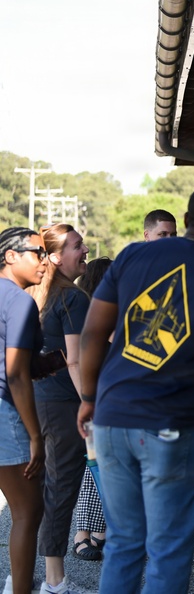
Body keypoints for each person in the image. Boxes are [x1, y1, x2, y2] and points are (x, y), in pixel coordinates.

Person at [76, 184, 194, 594]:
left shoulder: (132, 257)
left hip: (112, 419)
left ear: (187, 221)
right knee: (168, 550)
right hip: (173, 429)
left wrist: (89, 399)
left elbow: (92, 334)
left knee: (123, 542)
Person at [28, 224, 91, 594]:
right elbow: (75, 360)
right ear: (55, 256)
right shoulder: (73, 297)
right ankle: (55, 583)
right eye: (77, 245)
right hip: (64, 405)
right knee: (61, 490)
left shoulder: (37, 294)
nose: (84, 250)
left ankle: (20, 577)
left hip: (35, 402)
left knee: (40, 490)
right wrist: (90, 404)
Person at [0, 227, 47, 594]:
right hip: (5, 414)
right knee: (28, 514)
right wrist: (35, 435)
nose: (45, 262)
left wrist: (50, 363)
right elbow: (16, 373)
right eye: (37, 252)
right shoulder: (19, 302)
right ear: (10, 256)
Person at [70, 257, 112, 563]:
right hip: (92, 399)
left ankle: (90, 531)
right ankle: (88, 532)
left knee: (97, 465)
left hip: (101, 399)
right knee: (96, 465)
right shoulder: (92, 315)